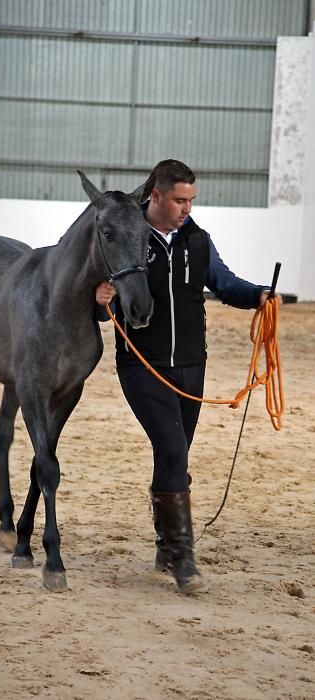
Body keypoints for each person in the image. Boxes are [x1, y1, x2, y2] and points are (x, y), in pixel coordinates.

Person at [96, 159, 282, 595]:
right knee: (174, 448)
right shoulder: (126, 235)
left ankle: (165, 543)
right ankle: (183, 560)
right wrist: (97, 298)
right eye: (180, 200)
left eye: (191, 200)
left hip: (191, 366)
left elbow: (224, 283)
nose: (187, 208)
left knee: (174, 454)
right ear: (156, 196)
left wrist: (258, 295)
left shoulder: (198, 241)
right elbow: (96, 306)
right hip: (142, 365)